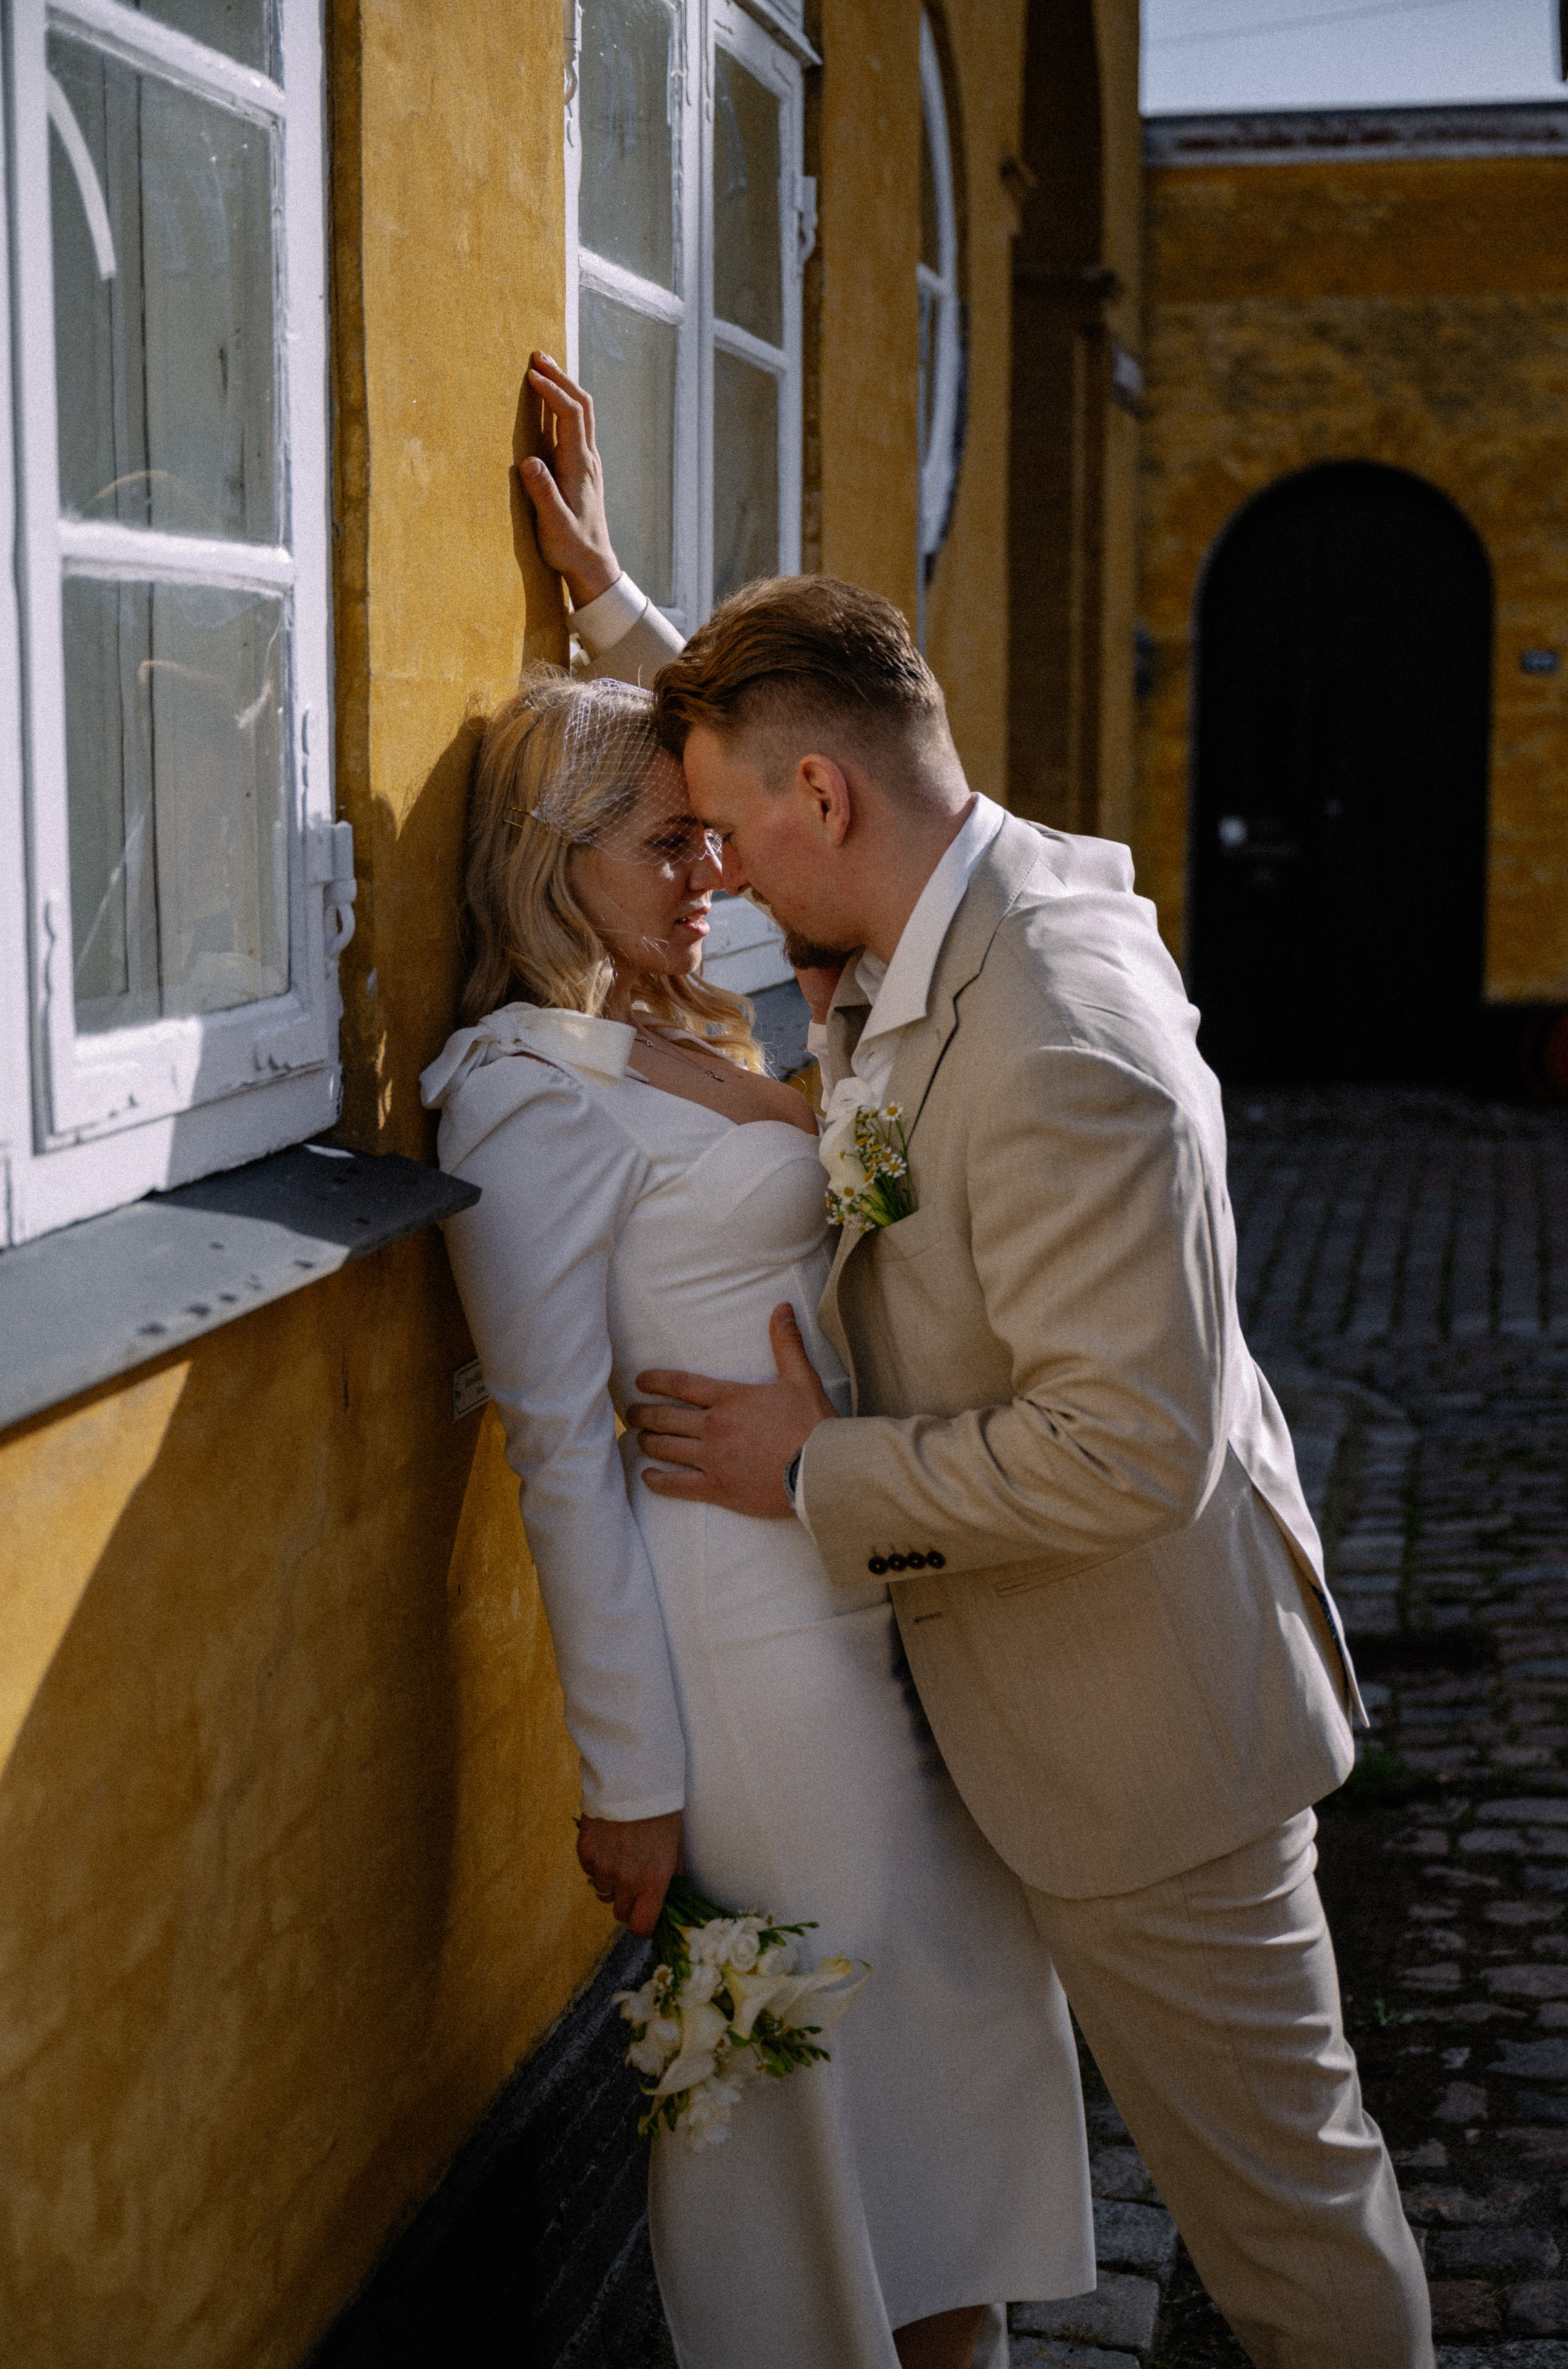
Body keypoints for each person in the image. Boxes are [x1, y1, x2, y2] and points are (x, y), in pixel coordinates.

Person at [516, 386, 1435, 2363]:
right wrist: (619, 621)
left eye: (734, 841)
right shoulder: (954, 891)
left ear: (826, 805)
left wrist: (811, 1464)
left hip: (1153, 1741)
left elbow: (1135, 1452)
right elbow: (790, 732)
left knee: (1288, 2228)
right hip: (997, 1708)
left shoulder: (1065, 1041)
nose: (726, 887)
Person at [417, 357, 1095, 2369]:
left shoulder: (699, 1018)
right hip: (747, 1667)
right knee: (826, 2087)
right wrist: (625, 1781)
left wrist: (618, 598)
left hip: (879, 1594)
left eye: (712, 846)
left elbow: (819, 787)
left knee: (956, 2047)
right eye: (662, 846)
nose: (711, 876)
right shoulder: (523, 1094)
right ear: (558, 865)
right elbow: (555, 1446)